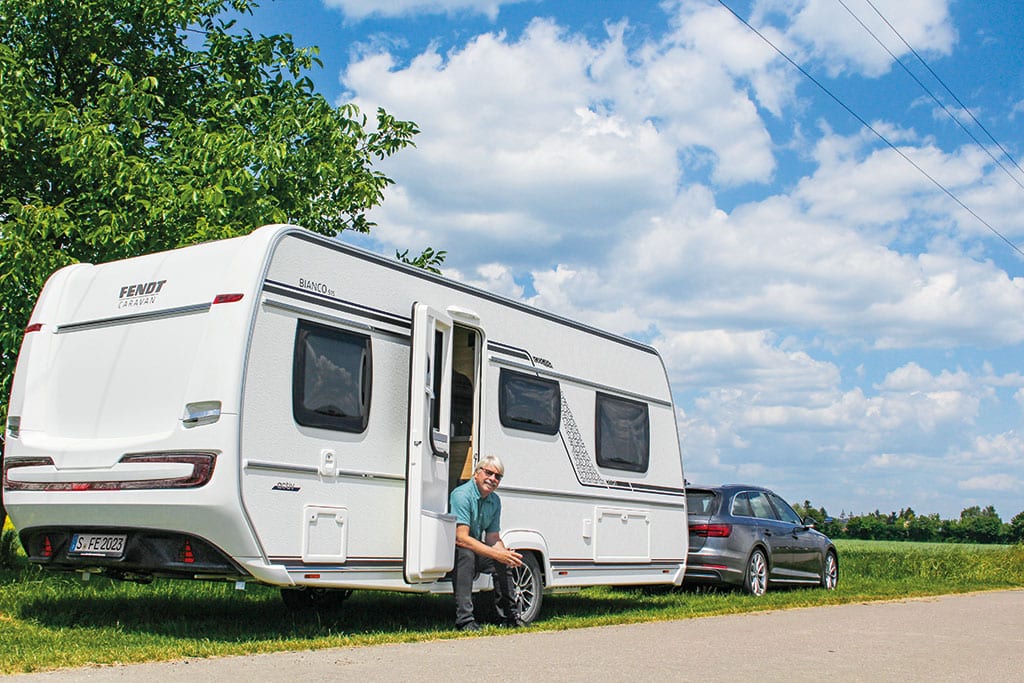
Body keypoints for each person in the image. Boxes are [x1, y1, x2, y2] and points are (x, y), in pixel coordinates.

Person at [449, 455, 524, 631]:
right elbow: (461, 538)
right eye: (489, 473)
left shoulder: (494, 500)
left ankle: (509, 617)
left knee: (502, 560)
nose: (492, 479)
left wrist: (504, 554)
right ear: (477, 473)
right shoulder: (462, 495)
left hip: (473, 546)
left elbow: (492, 538)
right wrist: (496, 553)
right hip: (452, 549)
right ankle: (465, 620)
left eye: (498, 476)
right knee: (466, 555)